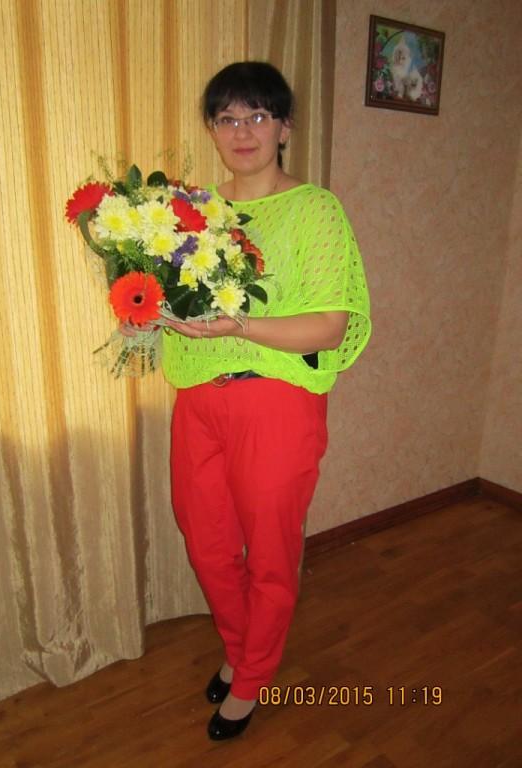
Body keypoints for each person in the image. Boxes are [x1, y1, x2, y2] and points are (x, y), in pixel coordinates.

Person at [161, 61, 371, 740]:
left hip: (277, 402)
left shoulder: (315, 209)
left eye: (257, 115)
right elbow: (178, 301)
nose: (242, 131)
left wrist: (239, 326)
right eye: (227, 118)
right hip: (199, 400)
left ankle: (251, 676)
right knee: (207, 542)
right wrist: (148, 314)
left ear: (284, 126)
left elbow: (329, 325)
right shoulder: (192, 212)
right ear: (211, 129)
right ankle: (239, 647)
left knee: (271, 552)